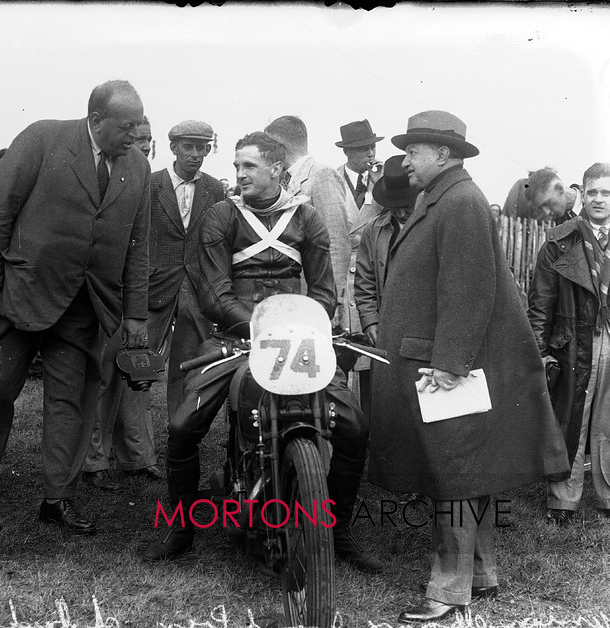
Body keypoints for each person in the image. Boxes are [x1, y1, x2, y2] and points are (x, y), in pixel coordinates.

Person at [143, 131, 380, 574]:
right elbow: (214, 293)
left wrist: (304, 323)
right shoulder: (220, 217)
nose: (239, 174)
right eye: (236, 167)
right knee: (182, 425)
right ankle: (180, 528)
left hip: (296, 337)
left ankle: (339, 529)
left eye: (248, 166)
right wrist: (257, 326)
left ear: (277, 169)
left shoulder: (306, 217)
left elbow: (325, 289)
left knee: (354, 427)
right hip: (237, 337)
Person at [369, 111, 569, 623]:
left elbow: (468, 289)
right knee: (465, 473)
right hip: (437, 359)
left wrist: (451, 363)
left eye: (413, 152)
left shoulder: (458, 201)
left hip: (445, 366)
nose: (406, 162)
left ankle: (446, 590)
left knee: (451, 476)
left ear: (442, 154)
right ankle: (480, 574)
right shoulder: (444, 198)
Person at [0, 79, 151, 535]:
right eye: (126, 126)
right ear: (96, 121)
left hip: (87, 306)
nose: (134, 135)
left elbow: (138, 243)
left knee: (72, 402)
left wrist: (135, 311)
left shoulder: (136, 166)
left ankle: (57, 498)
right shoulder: (43, 138)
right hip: (22, 293)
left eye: (138, 125)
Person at [84, 120, 223, 489]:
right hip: (148, 289)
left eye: (203, 147)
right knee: (129, 368)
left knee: (190, 372)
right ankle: (123, 456)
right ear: (173, 147)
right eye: (189, 147)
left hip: (195, 292)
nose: (196, 154)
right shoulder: (151, 182)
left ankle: (181, 449)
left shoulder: (214, 190)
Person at [527, 163, 610, 528]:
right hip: (572, 340)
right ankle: (562, 498)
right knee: (571, 416)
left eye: (606, 192)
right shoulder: (559, 239)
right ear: (581, 193)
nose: (599, 199)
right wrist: (539, 350)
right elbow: (540, 303)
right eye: (592, 192)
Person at [264, 116, 349, 325]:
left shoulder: (322, 175)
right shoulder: (285, 179)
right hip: (290, 296)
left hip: (315, 298)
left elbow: (337, 243)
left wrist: (333, 302)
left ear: (280, 146)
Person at [353, 154, 416, 418]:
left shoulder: (430, 225)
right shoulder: (374, 231)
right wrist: (369, 322)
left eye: (407, 206)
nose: (401, 212)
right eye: (395, 206)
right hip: (385, 327)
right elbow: (364, 281)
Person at [334, 119, 385, 402]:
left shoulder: (382, 185)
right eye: (363, 148)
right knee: (340, 358)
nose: (370, 153)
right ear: (347, 153)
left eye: (372, 147)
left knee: (369, 359)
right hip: (339, 280)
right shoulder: (330, 181)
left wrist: (380, 192)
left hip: (367, 282)